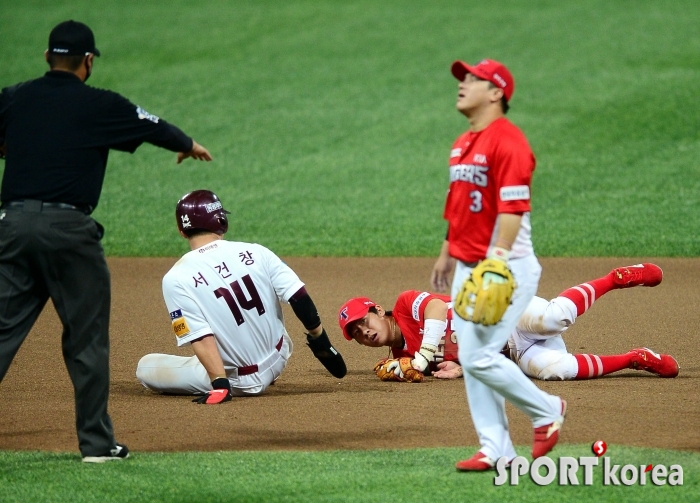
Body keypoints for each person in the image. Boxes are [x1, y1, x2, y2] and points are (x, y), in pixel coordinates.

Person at [0, 20, 212, 463]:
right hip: (69, 235)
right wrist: (188, 143)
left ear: (46, 58)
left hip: (12, 228)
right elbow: (152, 125)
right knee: (86, 340)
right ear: (88, 61)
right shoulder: (99, 103)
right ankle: (97, 446)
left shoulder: (15, 97)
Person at [427, 58, 565, 471]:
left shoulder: (510, 141)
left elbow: (513, 209)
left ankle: (547, 410)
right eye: (462, 78)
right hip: (471, 265)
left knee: (477, 356)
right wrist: (448, 249)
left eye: (473, 79)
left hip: (508, 266)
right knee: (472, 356)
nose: (462, 84)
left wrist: (497, 259)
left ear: (496, 92)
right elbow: (459, 205)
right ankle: (496, 448)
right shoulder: (461, 143)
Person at [136, 190, 346, 401]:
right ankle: (265, 366)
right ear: (221, 220)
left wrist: (220, 385)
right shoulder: (256, 252)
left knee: (145, 366)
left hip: (239, 382)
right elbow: (298, 297)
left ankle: (221, 376)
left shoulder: (176, 278)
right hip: (279, 356)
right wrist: (320, 339)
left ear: (182, 230)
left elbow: (200, 336)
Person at [338, 263, 679, 382]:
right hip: (513, 352)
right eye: (356, 334)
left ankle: (615, 279)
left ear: (378, 310)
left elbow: (437, 312)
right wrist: (459, 369)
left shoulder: (404, 304)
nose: (364, 332)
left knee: (554, 318)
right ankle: (636, 359)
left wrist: (424, 357)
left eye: (362, 321)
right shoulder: (404, 359)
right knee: (556, 371)